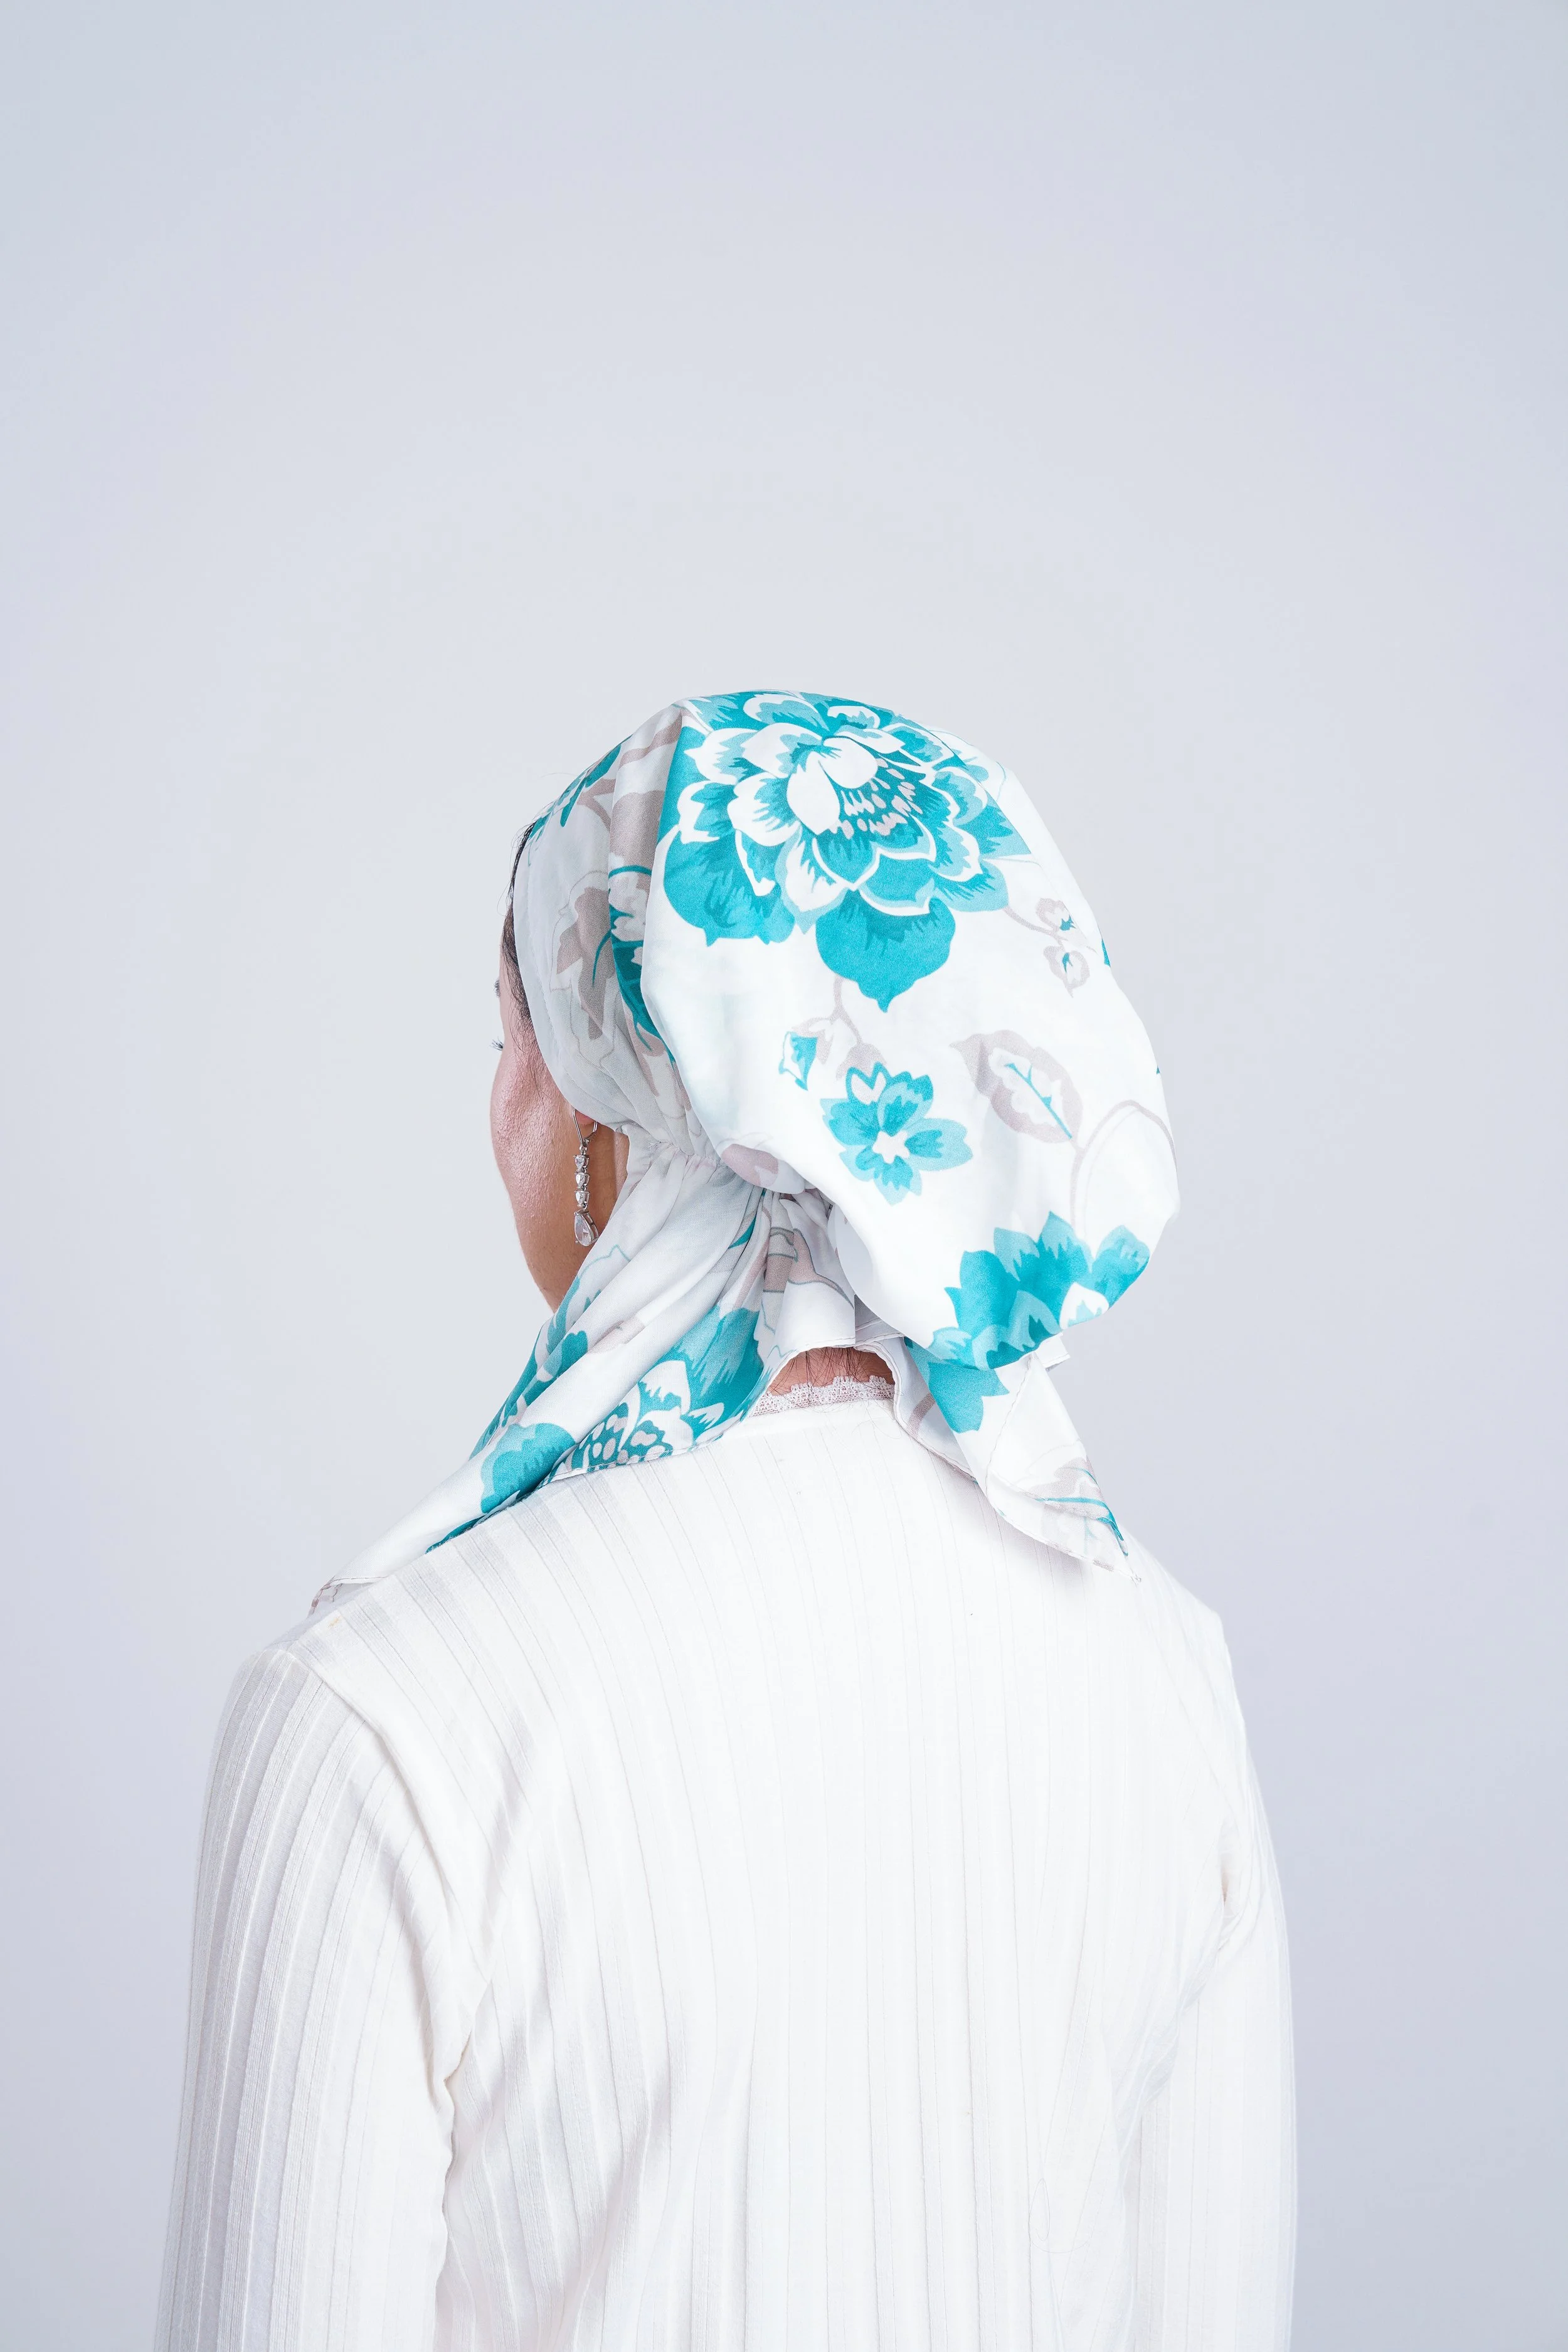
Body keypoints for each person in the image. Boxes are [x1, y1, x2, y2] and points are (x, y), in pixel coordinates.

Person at [157, 693, 1294, 2350]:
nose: (497, 1106)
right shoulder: (1167, 1677)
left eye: (508, 1036)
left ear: (608, 1106)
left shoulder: (373, 1719)